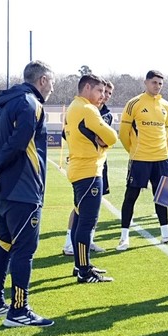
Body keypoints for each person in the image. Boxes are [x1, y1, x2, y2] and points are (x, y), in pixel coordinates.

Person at [0, 60, 55, 327]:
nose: (52, 88)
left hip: (2, 190)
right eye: (52, 82)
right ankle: (19, 310)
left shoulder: (4, 104)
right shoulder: (31, 104)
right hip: (24, 189)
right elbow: (18, 143)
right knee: (24, 250)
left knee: (3, 244)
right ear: (42, 80)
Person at [117, 70, 168, 250]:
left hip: (161, 158)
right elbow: (123, 133)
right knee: (131, 196)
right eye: (154, 82)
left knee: (162, 197)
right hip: (140, 159)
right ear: (146, 82)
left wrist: (160, 148)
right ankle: (124, 237)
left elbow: (166, 130)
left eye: (160, 83)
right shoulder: (134, 103)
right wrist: (133, 150)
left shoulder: (166, 106)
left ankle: (166, 234)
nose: (157, 86)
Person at [62, 74, 118, 284]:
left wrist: (98, 139)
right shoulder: (87, 109)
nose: (103, 96)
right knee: (86, 222)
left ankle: (80, 265)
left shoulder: (73, 107)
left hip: (79, 169)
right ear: (87, 88)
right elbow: (112, 136)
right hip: (89, 171)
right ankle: (84, 271)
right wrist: (102, 140)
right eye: (99, 91)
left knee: (79, 219)